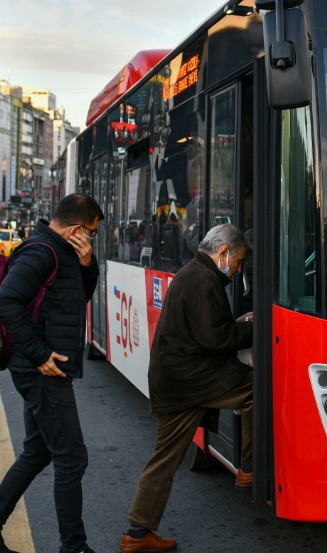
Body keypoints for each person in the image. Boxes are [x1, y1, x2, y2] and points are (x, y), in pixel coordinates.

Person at [0, 194, 103, 553]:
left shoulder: (63, 252)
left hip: (45, 368)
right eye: (92, 233)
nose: (91, 238)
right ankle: (74, 547)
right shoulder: (42, 252)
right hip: (42, 370)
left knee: (38, 452)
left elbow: (74, 301)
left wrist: (88, 262)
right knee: (71, 457)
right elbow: (5, 301)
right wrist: (40, 355)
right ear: (77, 228)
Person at [120, 223, 254, 553]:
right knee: (256, 388)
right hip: (193, 380)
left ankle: (137, 534)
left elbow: (208, 330)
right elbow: (216, 339)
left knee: (164, 458)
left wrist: (235, 325)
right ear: (223, 252)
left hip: (176, 379)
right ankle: (249, 468)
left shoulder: (193, 273)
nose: (237, 271)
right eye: (237, 262)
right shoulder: (205, 281)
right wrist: (253, 328)